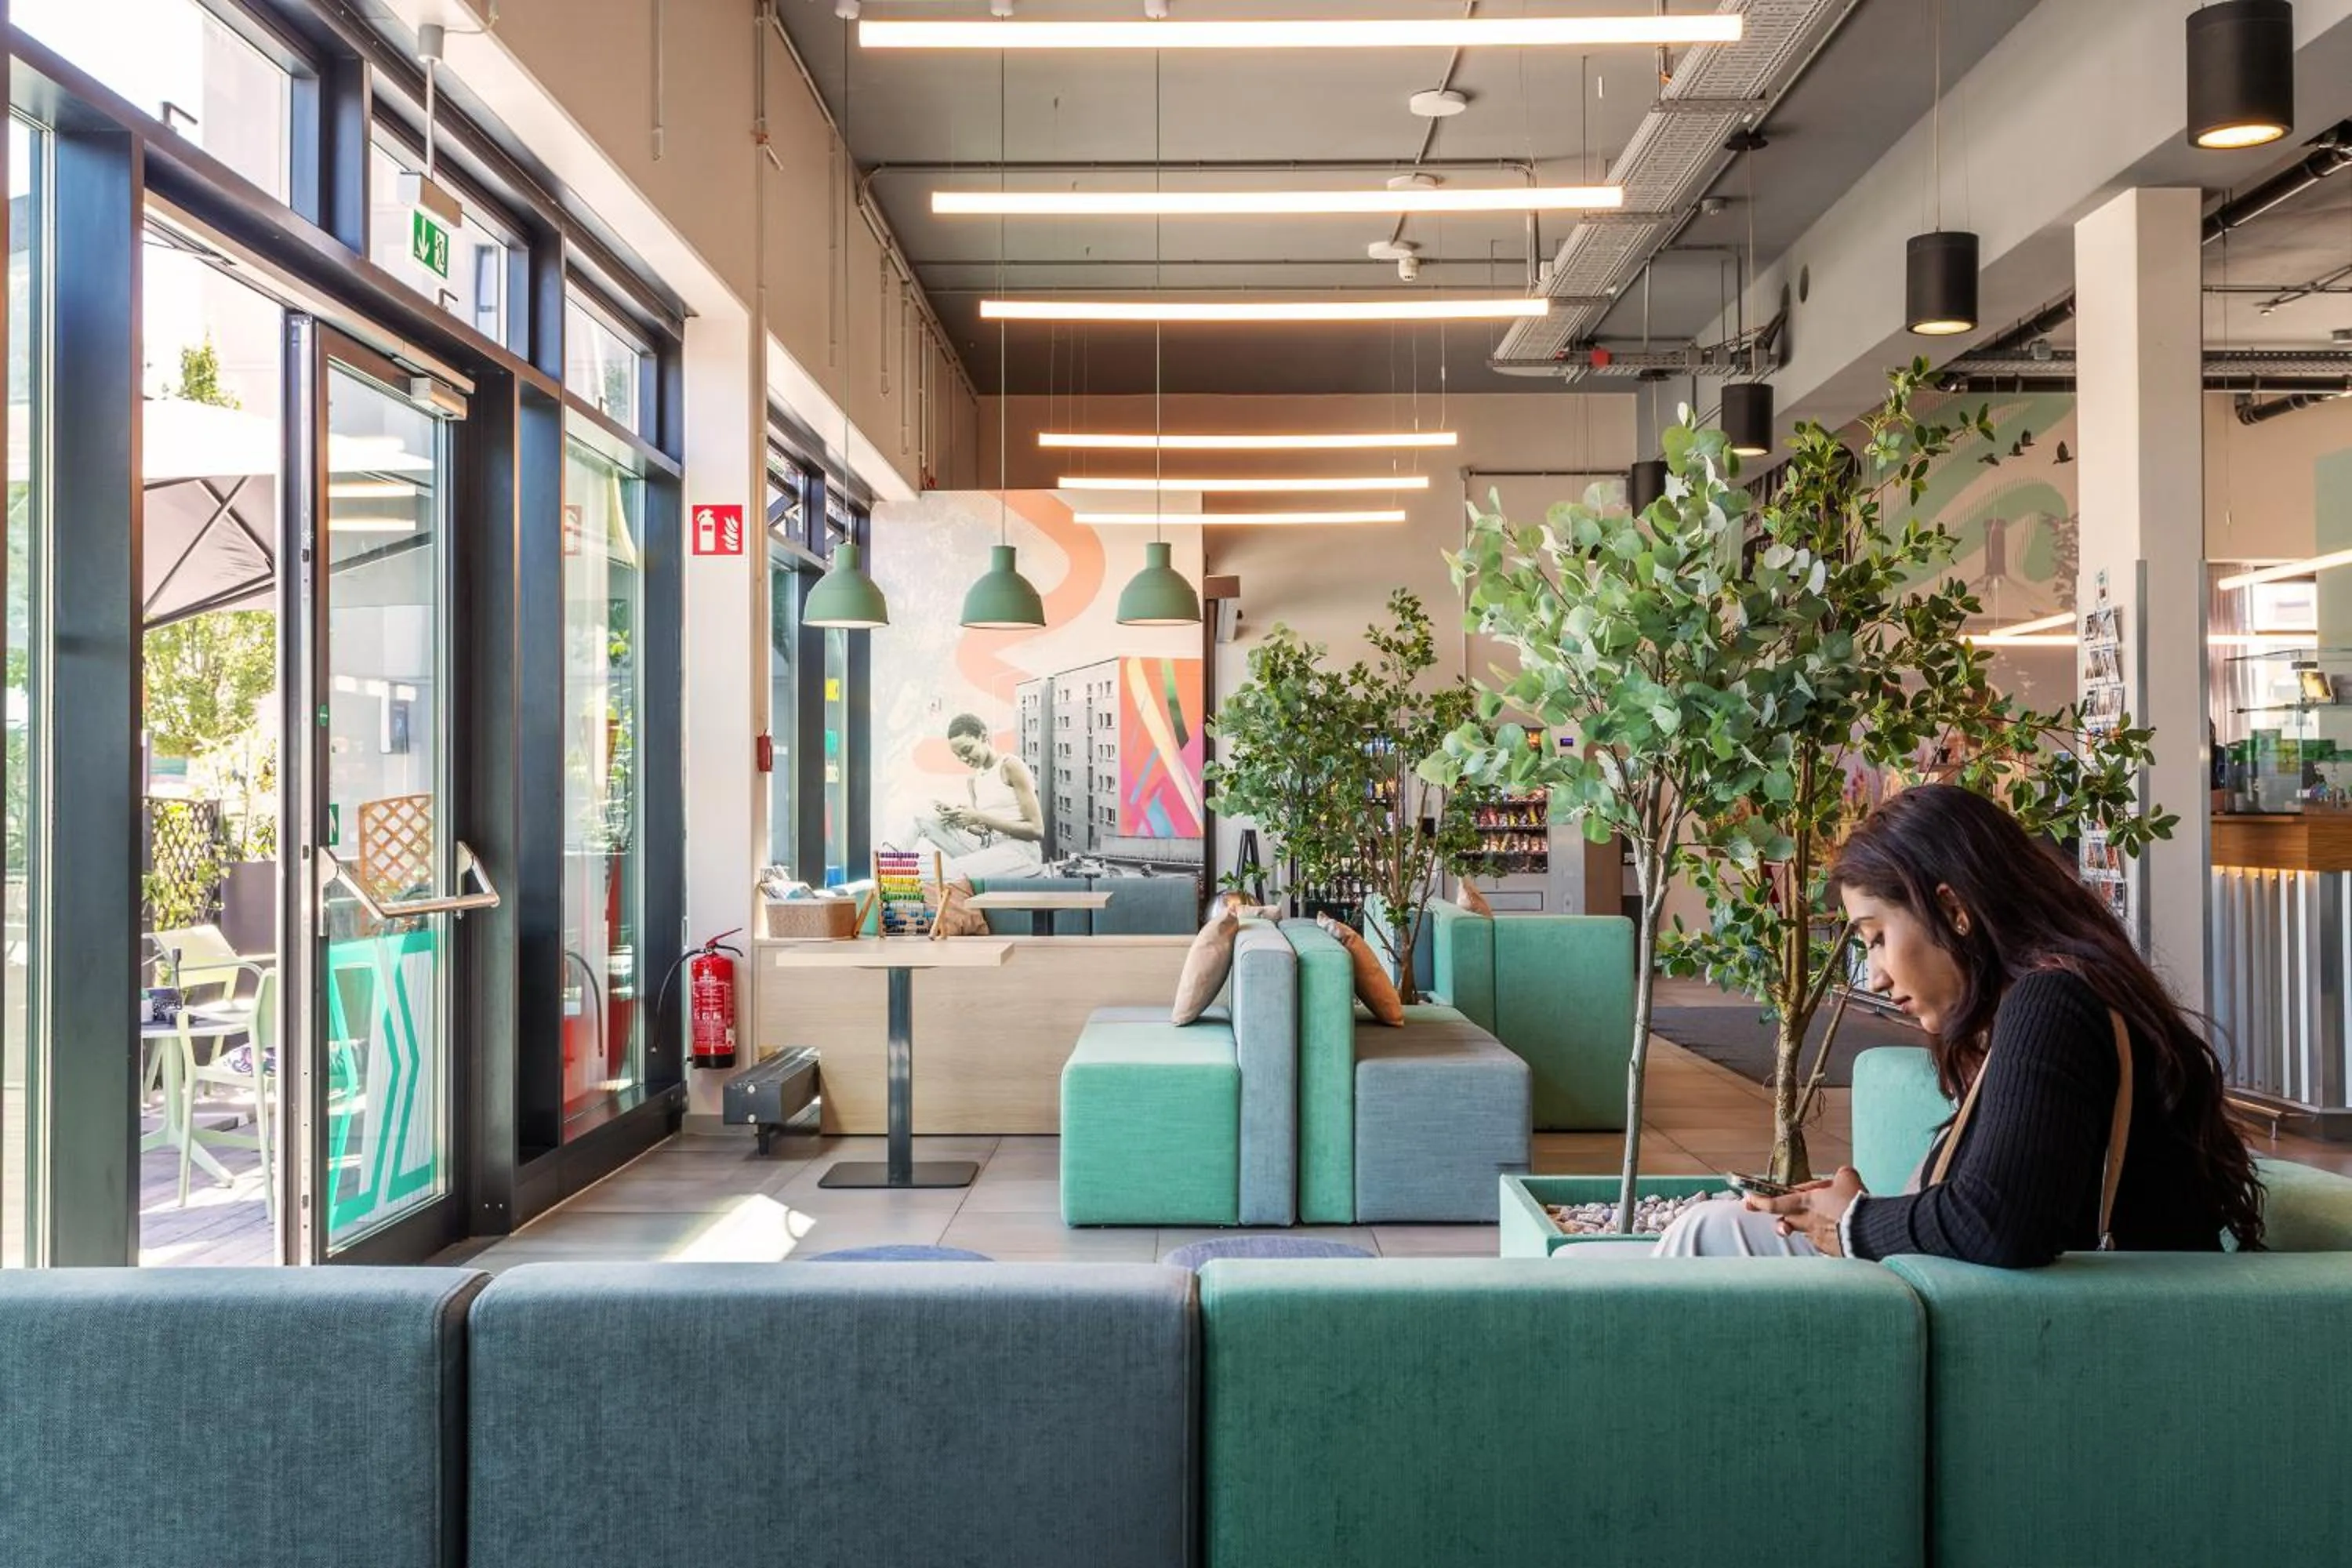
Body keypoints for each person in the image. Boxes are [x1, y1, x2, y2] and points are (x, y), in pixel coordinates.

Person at [1652, 783, 2263, 1265]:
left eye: (1877, 938)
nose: (1878, 977)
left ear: (1953, 909)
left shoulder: (2053, 1003)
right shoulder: (2056, 1000)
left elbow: (2001, 1222)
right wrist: (1853, 1212)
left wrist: (1856, 1222)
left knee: (1705, 1236)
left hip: (2074, 1327)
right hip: (2045, 1311)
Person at [912, 713, 1047, 878]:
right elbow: (984, 830)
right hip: (991, 848)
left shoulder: (1010, 766)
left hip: (1021, 852)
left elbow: (1037, 830)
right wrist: (961, 820)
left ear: (983, 737)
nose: (963, 758)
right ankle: (885, 869)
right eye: (958, 755)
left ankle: (899, 878)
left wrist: (979, 816)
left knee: (944, 871)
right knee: (923, 819)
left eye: (967, 750)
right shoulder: (973, 780)